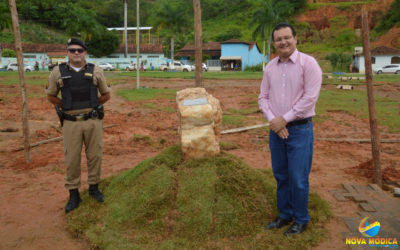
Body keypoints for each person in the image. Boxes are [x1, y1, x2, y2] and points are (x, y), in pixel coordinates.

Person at [258, 23, 322, 236]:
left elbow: (310, 97)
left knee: (298, 177)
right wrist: (274, 121)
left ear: (295, 39)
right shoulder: (270, 67)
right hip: (277, 132)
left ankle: (301, 219)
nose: (283, 42)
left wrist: (284, 119)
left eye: (287, 37)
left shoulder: (308, 64)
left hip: (299, 130)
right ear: (274, 43)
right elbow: (263, 97)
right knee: (281, 175)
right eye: (279, 39)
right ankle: (285, 215)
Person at [46, 38, 111, 214]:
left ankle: (94, 188)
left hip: (92, 121)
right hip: (70, 123)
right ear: (67, 52)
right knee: (72, 158)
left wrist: (92, 103)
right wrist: (66, 104)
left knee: (95, 155)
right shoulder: (57, 72)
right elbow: (51, 96)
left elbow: (106, 94)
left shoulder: (95, 70)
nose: (76, 53)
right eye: (72, 50)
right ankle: (74, 194)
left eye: (80, 50)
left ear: (85, 53)